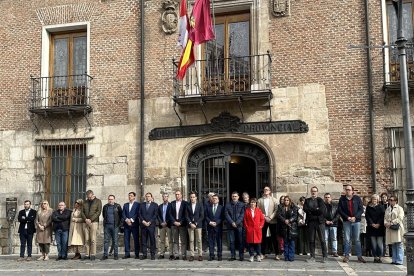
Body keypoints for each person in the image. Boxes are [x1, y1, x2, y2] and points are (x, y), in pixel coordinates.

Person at [337, 185, 366, 263]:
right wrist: (347, 217)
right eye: (346, 190)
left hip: (356, 221)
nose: (347, 191)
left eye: (349, 190)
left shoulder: (357, 198)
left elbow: (361, 210)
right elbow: (340, 210)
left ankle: (359, 256)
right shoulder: (342, 199)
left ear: (352, 191)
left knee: (357, 240)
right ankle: (346, 256)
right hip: (347, 221)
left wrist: (355, 217)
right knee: (347, 239)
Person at [303, 186, 327, 263]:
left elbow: (321, 210)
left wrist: (312, 211)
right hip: (311, 222)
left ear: (317, 192)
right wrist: (315, 210)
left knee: (322, 239)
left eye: (315, 191)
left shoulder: (320, 200)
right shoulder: (307, 200)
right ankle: (312, 256)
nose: (314, 192)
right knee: (311, 240)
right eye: (312, 191)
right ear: (311, 192)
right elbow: (305, 209)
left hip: (320, 222)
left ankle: (324, 256)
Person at [257, 186, 278, 260]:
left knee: (274, 237)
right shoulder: (260, 200)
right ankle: (263, 253)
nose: (266, 190)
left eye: (267, 189)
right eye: (265, 189)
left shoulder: (274, 200)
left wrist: (270, 217)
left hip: (272, 220)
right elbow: (258, 210)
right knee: (263, 237)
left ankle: (277, 254)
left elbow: (276, 210)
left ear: (270, 191)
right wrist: (264, 217)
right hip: (263, 220)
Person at [81, 190, 102, 261]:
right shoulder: (85, 202)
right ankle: (87, 254)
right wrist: (86, 219)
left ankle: (93, 254)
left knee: (93, 239)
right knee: (86, 239)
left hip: (94, 222)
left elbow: (98, 212)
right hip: (85, 222)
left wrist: (91, 219)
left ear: (93, 195)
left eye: (90, 197)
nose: (89, 198)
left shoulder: (98, 201)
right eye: (88, 197)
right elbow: (82, 212)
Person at [384, 195, 405, 265]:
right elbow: (385, 217)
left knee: (399, 244)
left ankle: (399, 260)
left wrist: (392, 222)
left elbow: (400, 218)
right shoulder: (388, 209)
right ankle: (394, 259)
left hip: (397, 228)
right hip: (390, 228)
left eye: (392, 200)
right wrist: (386, 223)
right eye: (390, 200)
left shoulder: (400, 208)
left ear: (395, 201)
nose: (390, 201)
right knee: (393, 244)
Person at [224, 191, 245, 261]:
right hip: (230, 226)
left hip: (239, 226)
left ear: (238, 197)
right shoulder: (227, 205)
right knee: (231, 241)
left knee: (240, 241)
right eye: (233, 196)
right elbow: (226, 214)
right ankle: (233, 256)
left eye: (235, 196)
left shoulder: (242, 205)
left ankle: (241, 255)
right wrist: (232, 222)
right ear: (231, 197)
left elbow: (242, 214)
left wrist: (237, 223)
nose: (234, 197)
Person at [101, 195, 122, 260]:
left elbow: (121, 215)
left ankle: (116, 255)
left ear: (114, 199)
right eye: (109, 199)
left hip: (115, 226)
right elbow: (104, 215)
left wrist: (119, 224)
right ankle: (105, 255)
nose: (110, 200)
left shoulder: (117, 206)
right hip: (107, 226)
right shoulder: (105, 207)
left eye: (112, 199)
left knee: (115, 241)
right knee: (106, 241)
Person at [243, 198, 265, 262]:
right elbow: (245, 220)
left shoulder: (259, 210)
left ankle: (258, 255)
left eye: (254, 202)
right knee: (250, 243)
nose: (252, 204)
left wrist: (261, 226)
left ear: (256, 204)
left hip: (257, 229)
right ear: (250, 204)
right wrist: (247, 227)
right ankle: (251, 255)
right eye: (251, 203)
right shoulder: (247, 211)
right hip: (250, 229)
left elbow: (262, 219)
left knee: (258, 243)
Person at [277, 196, 298, 262]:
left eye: (287, 200)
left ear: (290, 201)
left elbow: (295, 216)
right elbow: (279, 215)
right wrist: (284, 220)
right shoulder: (280, 207)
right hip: (284, 227)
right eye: (285, 200)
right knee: (285, 243)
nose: (286, 201)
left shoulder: (293, 207)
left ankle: (291, 257)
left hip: (292, 227)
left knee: (291, 242)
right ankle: (286, 257)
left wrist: (290, 220)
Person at [365, 194, 385, 263]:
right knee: (373, 244)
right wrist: (372, 223)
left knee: (380, 244)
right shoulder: (368, 207)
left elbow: (382, 216)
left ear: (378, 200)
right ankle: (375, 257)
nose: (374, 201)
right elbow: (367, 216)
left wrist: (378, 223)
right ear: (371, 200)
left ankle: (380, 257)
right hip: (372, 227)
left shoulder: (381, 207)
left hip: (379, 227)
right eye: (373, 199)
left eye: (376, 199)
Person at [185, 191, 204, 261]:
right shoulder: (187, 205)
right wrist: (190, 223)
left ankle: (200, 255)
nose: (192, 198)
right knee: (191, 240)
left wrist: (195, 223)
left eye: (193, 197)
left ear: (196, 197)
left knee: (199, 240)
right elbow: (186, 215)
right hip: (190, 225)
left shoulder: (200, 205)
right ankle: (192, 255)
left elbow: (202, 216)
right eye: (191, 197)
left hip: (198, 225)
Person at [170, 190, 188, 260]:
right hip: (174, 224)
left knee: (183, 240)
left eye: (178, 194)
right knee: (175, 240)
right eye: (176, 194)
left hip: (182, 224)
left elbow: (186, 214)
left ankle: (183, 254)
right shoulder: (172, 203)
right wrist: (174, 222)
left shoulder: (185, 203)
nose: (177, 196)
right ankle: (176, 255)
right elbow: (170, 214)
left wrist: (180, 222)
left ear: (181, 195)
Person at [139, 192, 158, 260]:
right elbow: (139, 214)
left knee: (152, 240)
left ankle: (152, 254)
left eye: (149, 196)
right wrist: (143, 221)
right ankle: (144, 254)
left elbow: (155, 215)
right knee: (144, 240)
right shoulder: (142, 205)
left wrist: (149, 222)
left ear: (151, 197)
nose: (147, 197)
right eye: (146, 196)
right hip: (143, 225)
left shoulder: (155, 205)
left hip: (151, 225)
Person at [205, 194, 223, 261]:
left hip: (218, 227)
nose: (214, 199)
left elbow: (222, 217)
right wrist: (210, 222)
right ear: (211, 200)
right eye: (213, 198)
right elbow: (206, 216)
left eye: (216, 198)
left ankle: (219, 255)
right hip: (210, 227)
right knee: (210, 242)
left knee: (219, 242)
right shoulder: (208, 207)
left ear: (218, 200)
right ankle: (211, 255)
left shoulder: (221, 207)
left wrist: (217, 223)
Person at [122, 191, 140, 259]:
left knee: (136, 239)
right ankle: (127, 254)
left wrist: (131, 220)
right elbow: (123, 214)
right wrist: (127, 220)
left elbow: (137, 213)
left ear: (134, 197)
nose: (130, 197)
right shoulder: (125, 205)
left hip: (134, 224)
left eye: (131, 195)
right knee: (126, 239)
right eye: (129, 195)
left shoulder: (137, 204)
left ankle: (137, 254)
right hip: (126, 225)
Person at [157, 193, 172, 259]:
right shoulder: (160, 206)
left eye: (166, 196)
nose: (165, 198)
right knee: (162, 240)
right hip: (162, 225)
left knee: (170, 240)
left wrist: (166, 222)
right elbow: (158, 215)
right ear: (162, 198)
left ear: (168, 197)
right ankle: (162, 253)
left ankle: (171, 254)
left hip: (168, 225)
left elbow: (171, 215)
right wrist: (161, 222)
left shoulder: (171, 205)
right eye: (164, 197)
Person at [324, 193, 339, 257]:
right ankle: (325, 251)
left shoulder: (335, 205)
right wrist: (325, 221)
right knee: (325, 238)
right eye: (326, 197)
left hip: (333, 224)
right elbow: (321, 215)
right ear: (324, 198)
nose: (327, 198)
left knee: (334, 238)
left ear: (331, 198)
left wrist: (332, 221)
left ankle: (334, 251)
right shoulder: (322, 206)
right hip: (325, 224)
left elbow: (338, 215)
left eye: (328, 197)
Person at [380, 192, 391, 257]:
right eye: (382, 197)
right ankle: (383, 252)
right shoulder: (380, 205)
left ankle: (389, 252)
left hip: (387, 223)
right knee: (383, 238)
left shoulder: (389, 205)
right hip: (381, 223)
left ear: (387, 198)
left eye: (385, 197)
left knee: (389, 238)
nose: (384, 198)